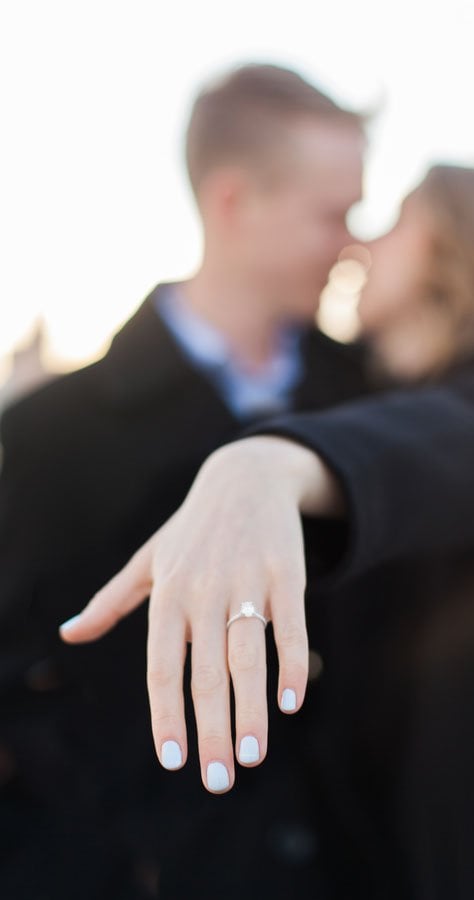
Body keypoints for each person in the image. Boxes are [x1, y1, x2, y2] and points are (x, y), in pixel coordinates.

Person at [65, 165, 474, 898]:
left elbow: (464, 442)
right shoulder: (367, 385)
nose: (362, 245)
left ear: (471, 250)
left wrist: (269, 469)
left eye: (397, 220)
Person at [0, 64, 369, 899]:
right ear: (234, 201)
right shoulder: (53, 432)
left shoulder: (377, 395)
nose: (354, 243)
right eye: (333, 214)